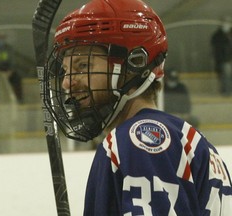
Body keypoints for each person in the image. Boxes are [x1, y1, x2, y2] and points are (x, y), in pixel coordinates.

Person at [41, 0, 232, 214]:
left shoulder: (140, 140)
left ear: (134, 64)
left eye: (83, 66)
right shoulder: (178, 136)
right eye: (66, 70)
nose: (67, 82)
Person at [211, 17, 232, 96]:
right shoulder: (217, 35)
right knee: (225, 75)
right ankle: (226, 92)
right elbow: (216, 49)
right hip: (224, 60)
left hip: (228, 59)